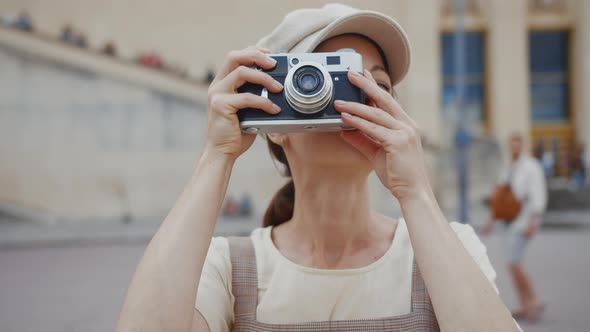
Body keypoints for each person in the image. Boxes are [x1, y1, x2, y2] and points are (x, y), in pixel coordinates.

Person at [117, 4, 521, 331]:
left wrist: (415, 193)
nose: (356, 101)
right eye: (320, 79)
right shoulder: (228, 269)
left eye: (373, 85)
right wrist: (216, 155)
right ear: (272, 122)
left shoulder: (448, 250)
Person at [481, 133, 547, 322]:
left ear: (522, 145)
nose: (514, 148)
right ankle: (525, 303)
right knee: (512, 265)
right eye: (511, 145)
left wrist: (533, 222)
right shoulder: (509, 167)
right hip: (509, 222)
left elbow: (537, 195)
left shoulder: (530, 167)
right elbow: (500, 198)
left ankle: (533, 300)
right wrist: (490, 222)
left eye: (517, 144)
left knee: (514, 263)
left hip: (523, 222)